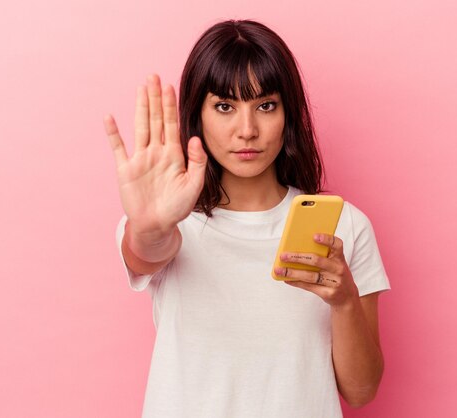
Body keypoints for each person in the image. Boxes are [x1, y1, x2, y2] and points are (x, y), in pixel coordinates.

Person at [103, 19, 390, 418]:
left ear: (288, 114)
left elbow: (360, 391)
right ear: (197, 115)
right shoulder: (168, 221)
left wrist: (343, 304)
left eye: (266, 106)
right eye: (224, 107)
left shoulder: (347, 226)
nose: (247, 130)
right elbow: (146, 249)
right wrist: (152, 227)